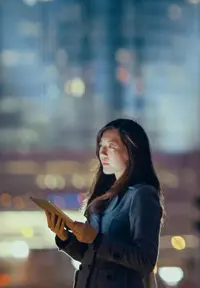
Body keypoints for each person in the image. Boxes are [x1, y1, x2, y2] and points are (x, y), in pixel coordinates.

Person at [45, 118, 164, 288]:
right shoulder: (103, 197)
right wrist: (66, 238)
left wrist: (95, 239)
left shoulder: (141, 195)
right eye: (101, 146)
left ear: (131, 152)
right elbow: (92, 257)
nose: (103, 153)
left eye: (111, 146)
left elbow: (145, 260)